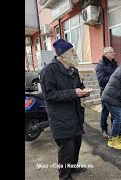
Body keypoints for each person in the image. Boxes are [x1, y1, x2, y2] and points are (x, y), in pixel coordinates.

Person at [40, 39, 90, 180]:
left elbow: (79, 87)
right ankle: (65, 176)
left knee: (76, 145)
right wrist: (74, 93)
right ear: (62, 54)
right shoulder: (49, 70)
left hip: (75, 115)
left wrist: (85, 91)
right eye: (72, 51)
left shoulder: (73, 69)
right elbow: (49, 95)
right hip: (61, 118)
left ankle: (73, 167)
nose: (75, 53)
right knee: (66, 150)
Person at [95, 47, 118, 138]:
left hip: (115, 91)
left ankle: (114, 130)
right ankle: (104, 129)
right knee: (105, 111)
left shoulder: (114, 63)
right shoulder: (100, 65)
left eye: (113, 51)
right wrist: (114, 79)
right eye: (111, 52)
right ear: (105, 54)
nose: (113, 53)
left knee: (114, 112)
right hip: (105, 91)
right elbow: (101, 80)